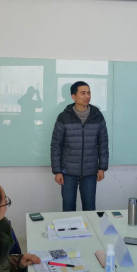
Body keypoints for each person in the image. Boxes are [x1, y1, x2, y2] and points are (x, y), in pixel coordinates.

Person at [51, 81, 109, 211]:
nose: (87, 96)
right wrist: (57, 171)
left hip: (90, 172)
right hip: (68, 172)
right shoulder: (63, 117)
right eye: (83, 93)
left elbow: (103, 143)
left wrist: (102, 168)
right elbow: (56, 145)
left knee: (90, 209)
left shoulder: (97, 116)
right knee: (68, 209)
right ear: (73, 96)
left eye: (88, 93)